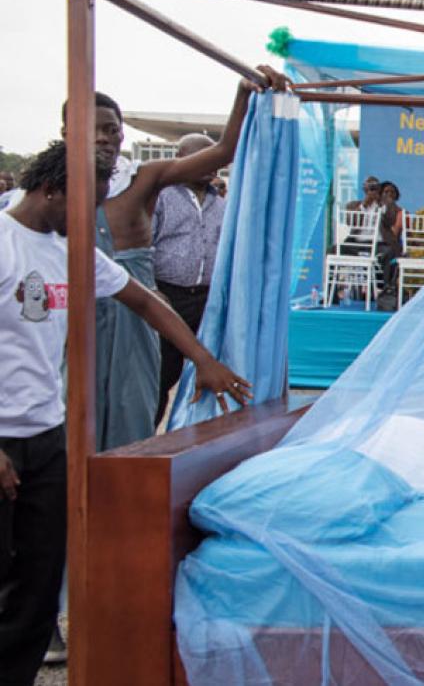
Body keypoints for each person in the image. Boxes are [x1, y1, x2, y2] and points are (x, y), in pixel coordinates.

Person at [0, 141, 249, 686]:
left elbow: (144, 300)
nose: (92, 221)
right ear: (50, 190)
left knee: (38, 584)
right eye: (83, 206)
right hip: (1, 439)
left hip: (46, 434)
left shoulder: (72, 250)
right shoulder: (4, 246)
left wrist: (202, 359)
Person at [72, 68, 285, 451]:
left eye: (111, 129)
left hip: (137, 313)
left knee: (131, 407)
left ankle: (120, 498)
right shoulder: (48, 194)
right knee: (70, 408)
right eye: (93, 129)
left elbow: (223, 152)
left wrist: (241, 95)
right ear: (67, 133)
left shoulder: (141, 178)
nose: (103, 137)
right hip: (74, 311)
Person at [150, 135, 226, 428]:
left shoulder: (219, 203)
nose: (210, 164)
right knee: (161, 375)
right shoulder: (160, 196)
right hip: (167, 297)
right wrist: (153, 290)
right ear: (181, 156)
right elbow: (146, 246)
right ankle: (147, 440)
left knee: (208, 371)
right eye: (202, 156)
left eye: (214, 157)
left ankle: (199, 437)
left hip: (206, 299)